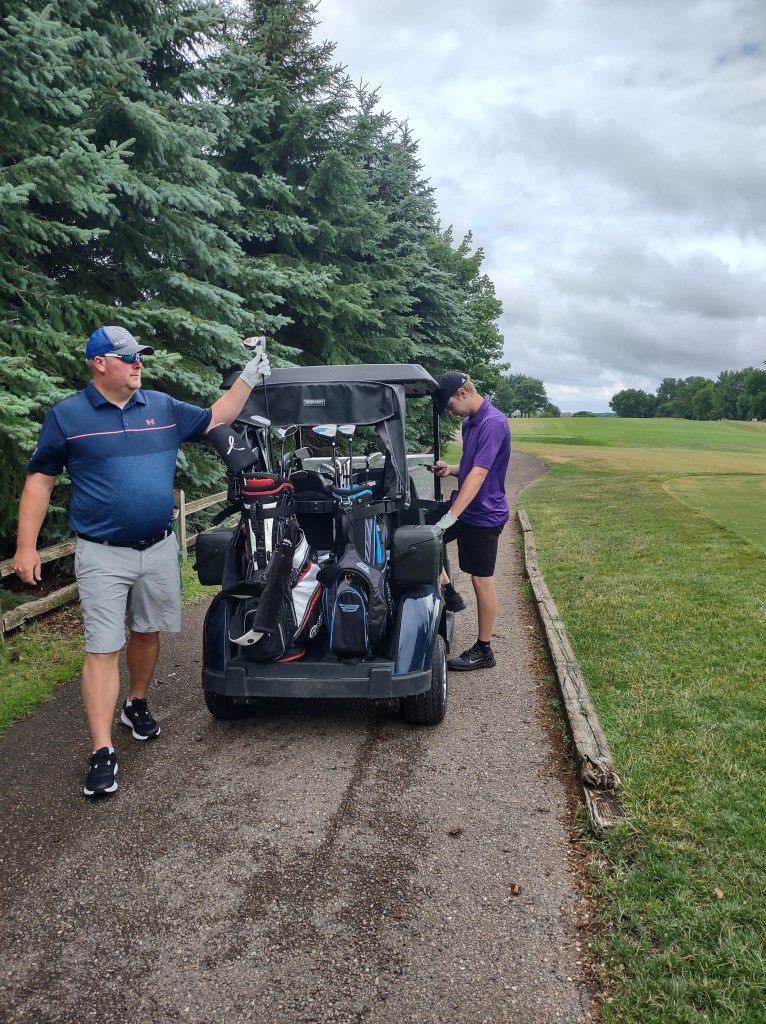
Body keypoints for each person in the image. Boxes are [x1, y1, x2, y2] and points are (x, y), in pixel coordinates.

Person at [12, 325, 270, 797]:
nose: (138, 364)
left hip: (158, 549)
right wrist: (26, 546)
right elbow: (41, 480)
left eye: (140, 356)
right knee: (102, 647)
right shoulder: (67, 416)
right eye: (128, 357)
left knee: (148, 632)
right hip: (101, 553)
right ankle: (102, 750)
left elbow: (217, 416)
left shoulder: (162, 407)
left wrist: (249, 378)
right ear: (99, 364)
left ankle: (136, 703)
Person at [432, 371, 511, 671]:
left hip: (484, 515)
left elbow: (479, 473)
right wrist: (451, 469)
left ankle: (484, 650)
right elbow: (470, 465)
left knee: (481, 579)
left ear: (463, 393)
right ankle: (450, 592)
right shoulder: (470, 423)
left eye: (450, 405)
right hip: (465, 509)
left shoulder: (493, 422)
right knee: (419, 536)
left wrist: (451, 516)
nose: (450, 412)